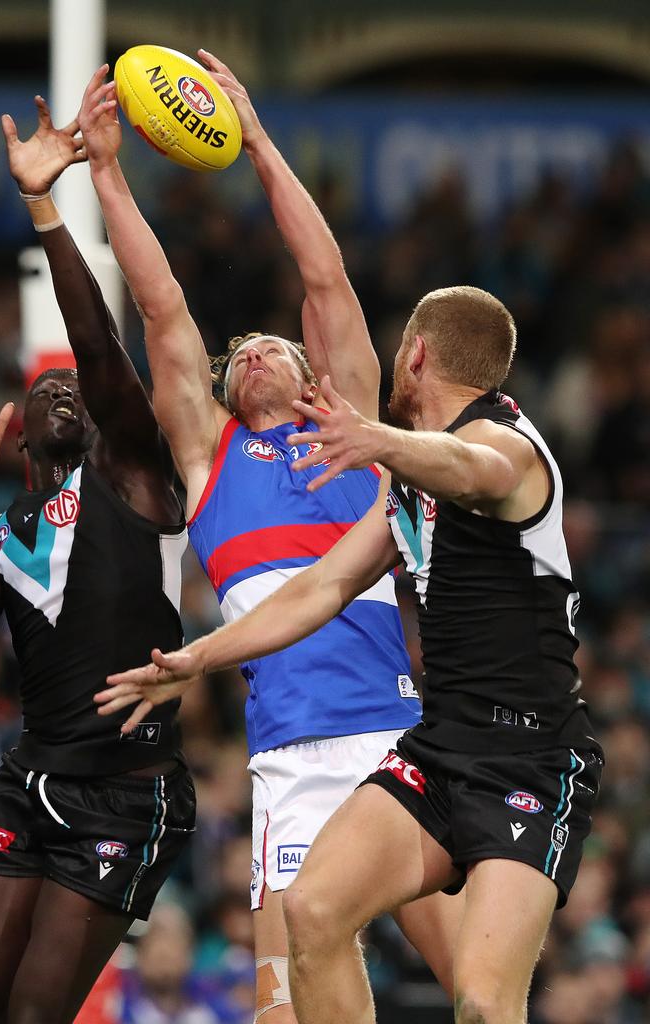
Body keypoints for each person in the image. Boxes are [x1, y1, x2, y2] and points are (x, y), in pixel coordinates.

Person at [99, 285, 604, 1024]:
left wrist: (378, 440)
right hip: (439, 746)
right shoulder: (405, 487)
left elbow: (474, 470)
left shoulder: (506, 441)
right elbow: (325, 585)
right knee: (313, 910)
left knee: (484, 1004)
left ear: (417, 356)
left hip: (529, 756)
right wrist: (197, 658)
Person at [78, 57, 460, 1021]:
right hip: (288, 761)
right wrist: (110, 175)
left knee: (479, 988)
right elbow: (161, 308)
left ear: (310, 365)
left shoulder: (353, 426)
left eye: (272, 344)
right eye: (235, 352)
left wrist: (255, 142)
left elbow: (322, 272)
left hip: (395, 736)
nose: (249, 350)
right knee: (283, 1010)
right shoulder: (211, 458)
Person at [0, 97, 194, 1024]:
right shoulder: (4, 530)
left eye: (71, 392)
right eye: (38, 390)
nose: (58, 391)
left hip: (126, 798)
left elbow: (92, 346)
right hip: (30, 781)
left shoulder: (131, 479)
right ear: (11, 442)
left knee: (34, 1016)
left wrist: (48, 208)